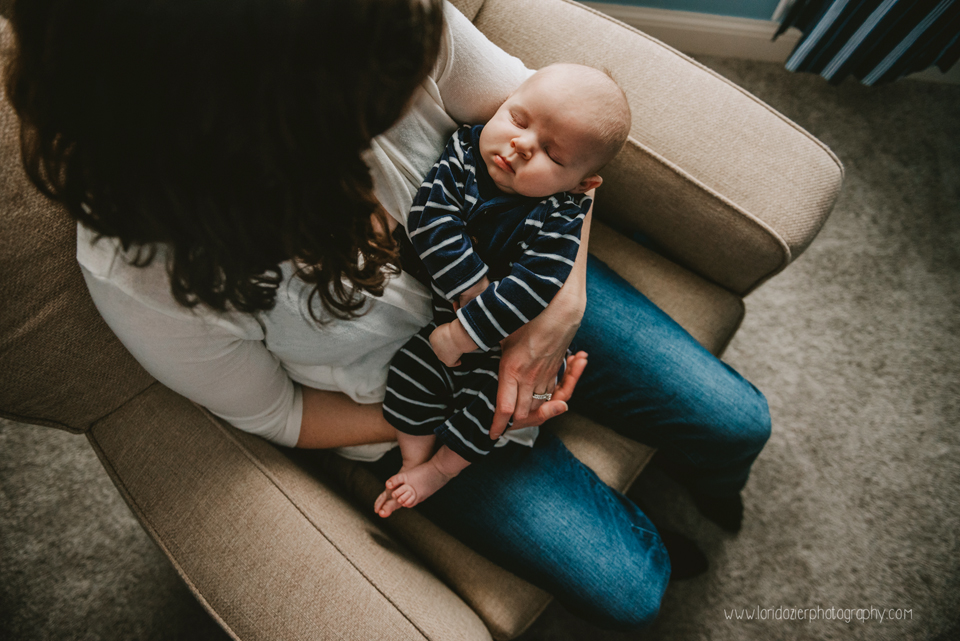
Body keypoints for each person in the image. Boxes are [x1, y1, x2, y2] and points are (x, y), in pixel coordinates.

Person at [7, 0, 770, 629]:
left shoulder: (373, 19)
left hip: (520, 282)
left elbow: (555, 129)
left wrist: (555, 309)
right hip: (408, 400)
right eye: (375, 106)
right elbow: (280, 413)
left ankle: (698, 478)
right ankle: (652, 530)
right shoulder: (141, 268)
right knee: (632, 588)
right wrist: (458, 415)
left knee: (736, 420)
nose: (410, 99)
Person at [377, 63, 631, 517]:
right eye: (517, 119)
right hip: (458, 325)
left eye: (552, 156)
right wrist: (472, 302)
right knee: (410, 373)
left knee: (495, 411)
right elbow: (429, 220)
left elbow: (535, 285)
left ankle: (441, 470)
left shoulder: (561, 216)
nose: (522, 145)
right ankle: (413, 459)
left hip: (510, 338)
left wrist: (464, 335)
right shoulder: (463, 152)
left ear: (583, 185)